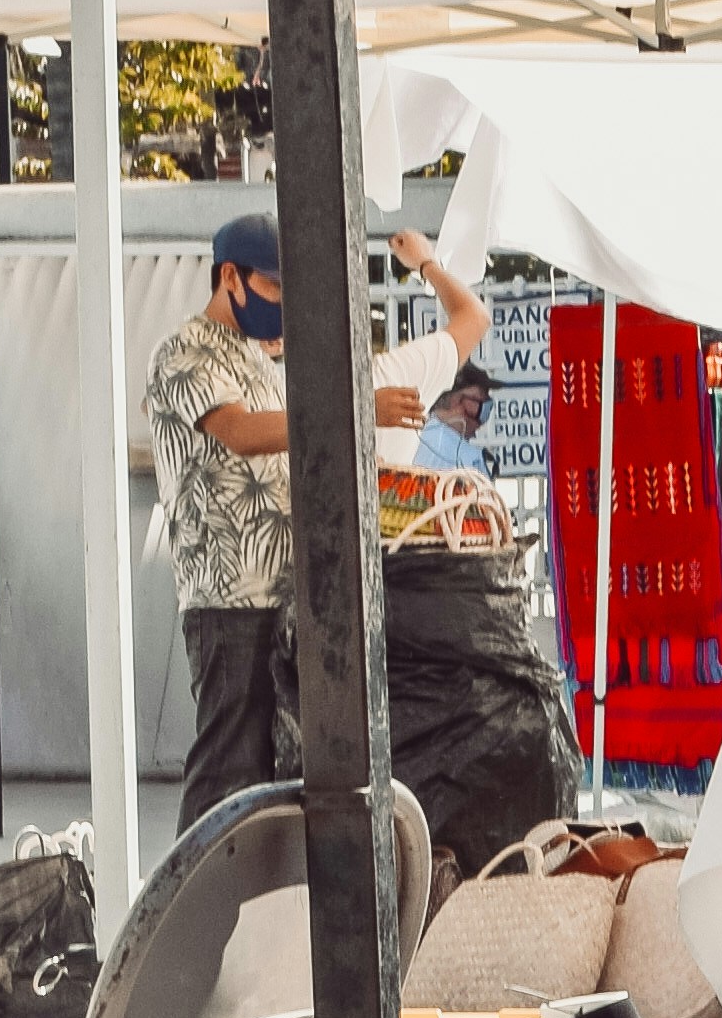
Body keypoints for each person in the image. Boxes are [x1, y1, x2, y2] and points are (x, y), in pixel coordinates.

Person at [143, 208, 489, 825]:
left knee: (270, 779)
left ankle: (251, 911)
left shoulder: (259, 361)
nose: (283, 302)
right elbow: (241, 433)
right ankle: (191, 911)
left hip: (286, 593)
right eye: (274, 284)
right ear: (231, 277)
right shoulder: (184, 353)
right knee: (229, 766)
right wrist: (360, 408)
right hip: (230, 595)